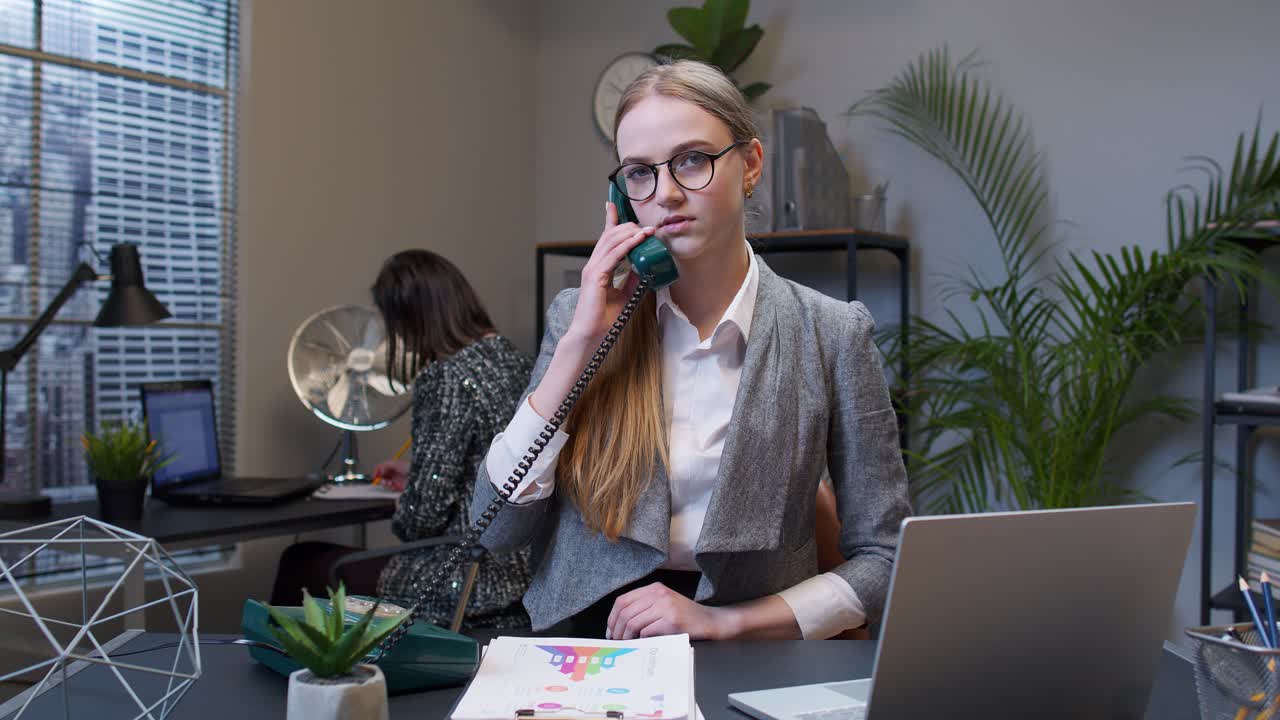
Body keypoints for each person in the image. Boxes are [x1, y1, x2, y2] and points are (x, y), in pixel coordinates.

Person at [470, 60, 911, 640]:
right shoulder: (579, 321)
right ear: (621, 195)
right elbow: (493, 529)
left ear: (749, 165)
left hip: (753, 641)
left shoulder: (831, 333)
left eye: (692, 161)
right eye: (640, 174)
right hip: (591, 642)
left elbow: (884, 560)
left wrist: (723, 623)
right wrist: (581, 344)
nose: (667, 195)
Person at [271, 249, 535, 630]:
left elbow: (422, 520)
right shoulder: (516, 361)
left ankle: (304, 679)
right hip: (527, 573)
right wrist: (417, 473)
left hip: (472, 577)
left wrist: (411, 500)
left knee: (302, 561)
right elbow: (488, 463)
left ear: (410, 320)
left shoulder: (446, 378)